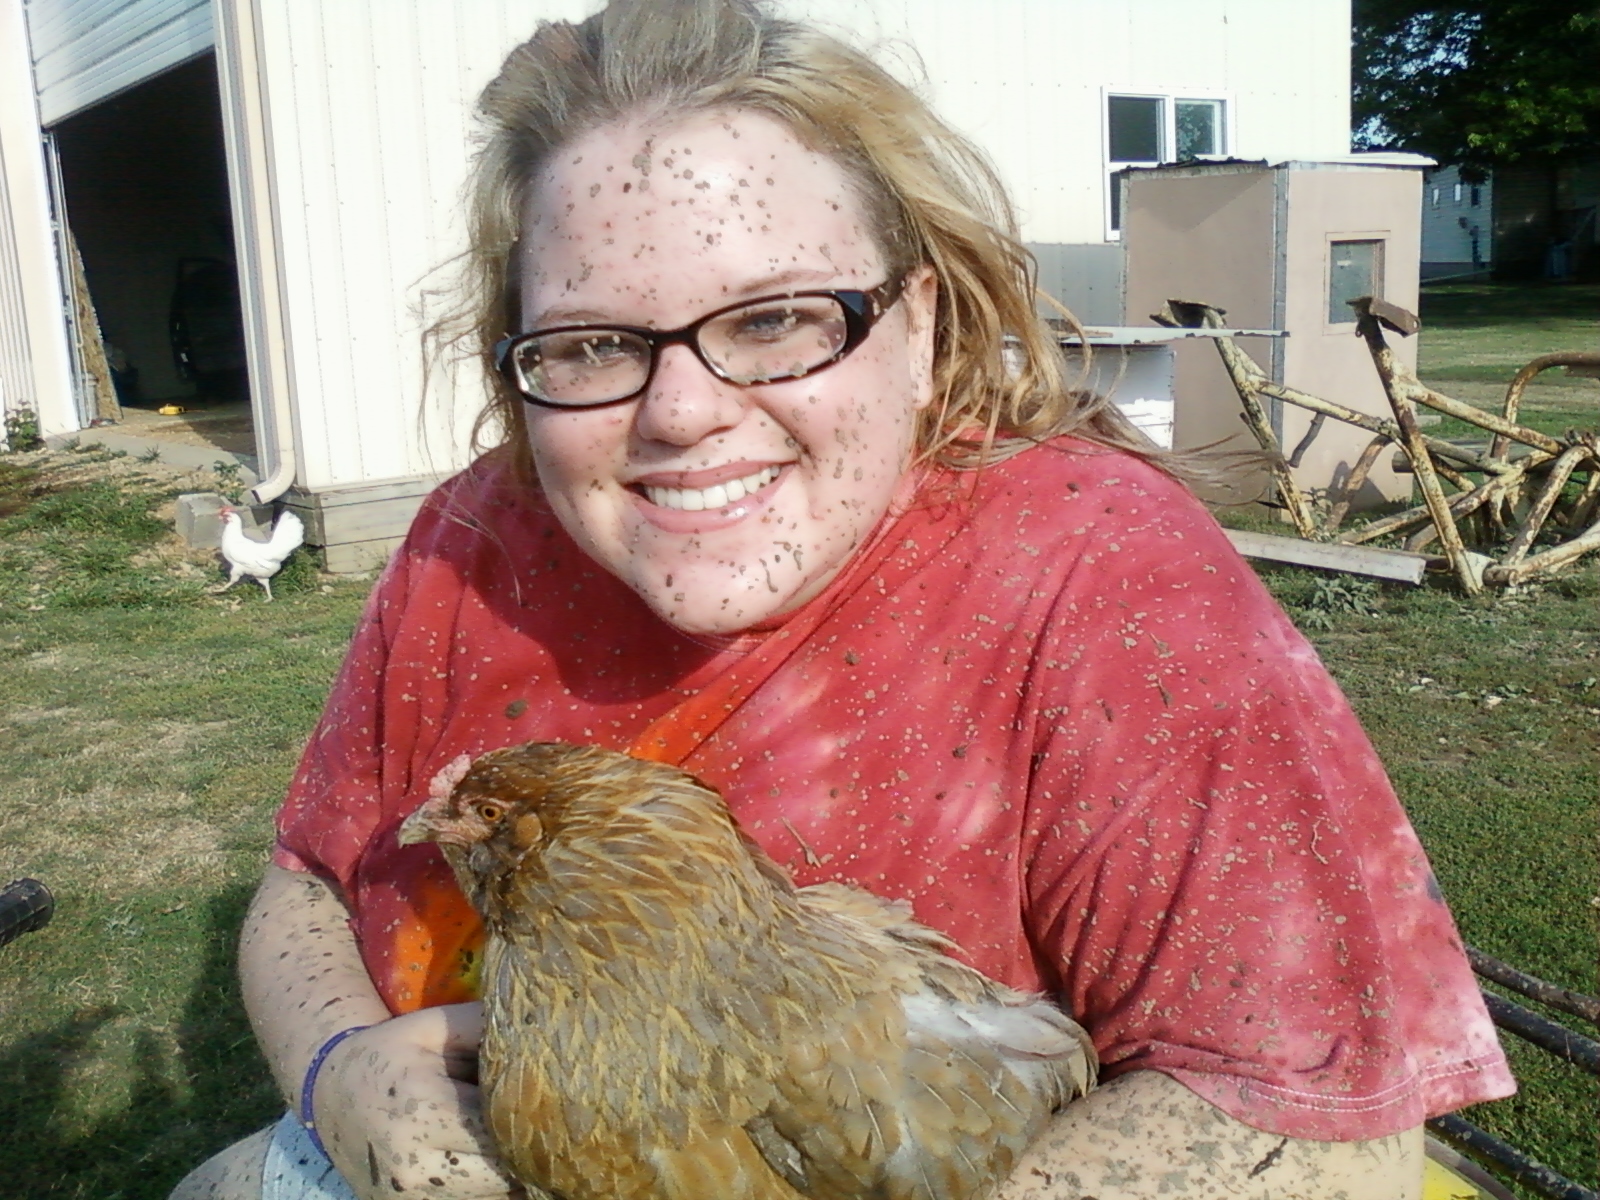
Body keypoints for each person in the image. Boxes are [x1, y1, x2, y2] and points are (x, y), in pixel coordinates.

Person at [172, 2, 1515, 1197]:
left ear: (921, 328)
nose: (683, 413)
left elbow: (1321, 1128)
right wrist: (344, 1080)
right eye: (591, 342)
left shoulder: (1096, 576)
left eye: (774, 320)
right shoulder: (474, 540)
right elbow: (304, 879)